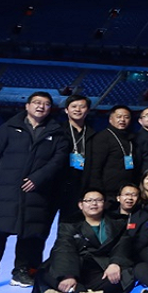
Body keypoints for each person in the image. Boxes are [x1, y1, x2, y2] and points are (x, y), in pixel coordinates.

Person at [0, 92, 69, 290]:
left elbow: (58, 160)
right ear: (27, 106)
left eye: (46, 104)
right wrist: (0, 181)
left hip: (37, 192)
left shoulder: (56, 132)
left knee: (28, 233)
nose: (41, 106)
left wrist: (38, 179)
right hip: (7, 192)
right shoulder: (9, 128)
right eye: (37, 102)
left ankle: (20, 271)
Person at [35, 189, 135, 293]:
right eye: (89, 201)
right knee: (45, 272)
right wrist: (68, 275)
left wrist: (115, 263)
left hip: (102, 266)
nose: (94, 204)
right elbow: (64, 248)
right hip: (76, 264)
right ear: (81, 205)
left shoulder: (118, 222)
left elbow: (122, 245)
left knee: (121, 279)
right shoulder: (69, 224)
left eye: (98, 200)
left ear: (104, 203)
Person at [86, 105, 139, 198]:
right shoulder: (102, 137)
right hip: (107, 191)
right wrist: (98, 191)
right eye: (119, 117)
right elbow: (95, 167)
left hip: (126, 190)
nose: (122, 120)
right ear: (110, 119)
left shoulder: (131, 138)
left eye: (126, 117)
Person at [57, 94, 94, 224]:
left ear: (88, 110)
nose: (78, 109)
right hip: (58, 184)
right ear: (66, 110)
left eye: (82, 106)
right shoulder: (57, 131)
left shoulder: (93, 134)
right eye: (74, 106)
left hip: (81, 185)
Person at [112, 183, 148, 258]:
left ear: (138, 199)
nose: (130, 198)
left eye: (134, 195)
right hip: (111, 253)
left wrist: (125, 251)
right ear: (118, 198)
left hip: (134, 254)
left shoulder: (146, 217)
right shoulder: (110, 216)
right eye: (126, 194)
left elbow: (144, 239)